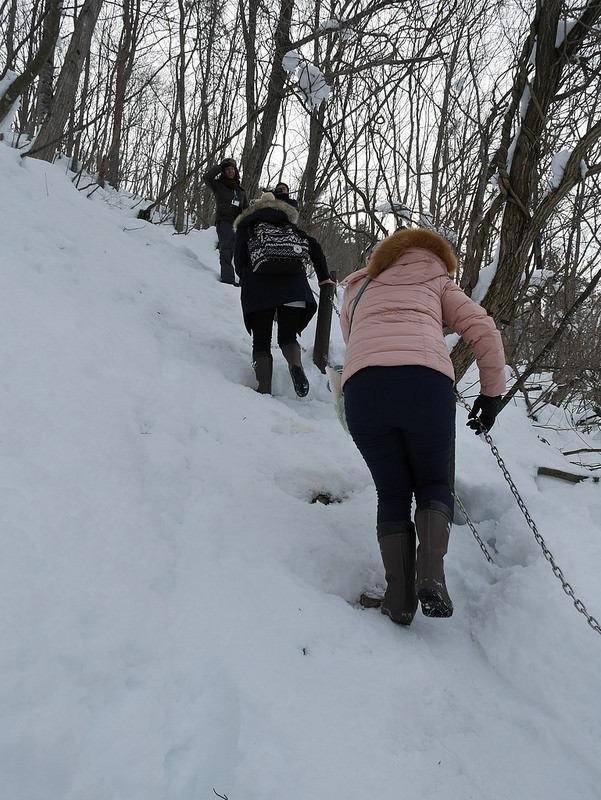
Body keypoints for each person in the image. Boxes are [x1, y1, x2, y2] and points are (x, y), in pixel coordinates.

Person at [340, 226, 506, 625]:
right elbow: (482, 328)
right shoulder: (438, 282)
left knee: (392, 491)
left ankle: (398, 599)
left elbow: (352, 338)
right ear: (436, 257)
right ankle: (431, 576)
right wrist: (491, 394)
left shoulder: (359, 287)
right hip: (425, 385)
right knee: (433, 483)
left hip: (364, 390)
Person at [234, 192, 335, 396]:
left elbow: (238, 261)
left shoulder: (247, 226)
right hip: (293, 288)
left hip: (259, 290)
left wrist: (247, 275)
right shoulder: (287, 224)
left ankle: (264, 389)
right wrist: (324, 277)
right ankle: (296, 366)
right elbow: (313, 246)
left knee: (261, 341)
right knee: (287, 336)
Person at [203, 158, 248, 285]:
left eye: (232, 169)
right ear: (224, 171)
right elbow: (207, 178)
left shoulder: (240, 190)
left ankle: (243, 279)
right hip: (224, 221)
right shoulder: (218, 185)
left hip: (238, 224)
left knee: (239, 252)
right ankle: (228, 279)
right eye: (227, 169)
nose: (230, 171)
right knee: (226, 249)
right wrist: (219, 166)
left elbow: (246, 208)